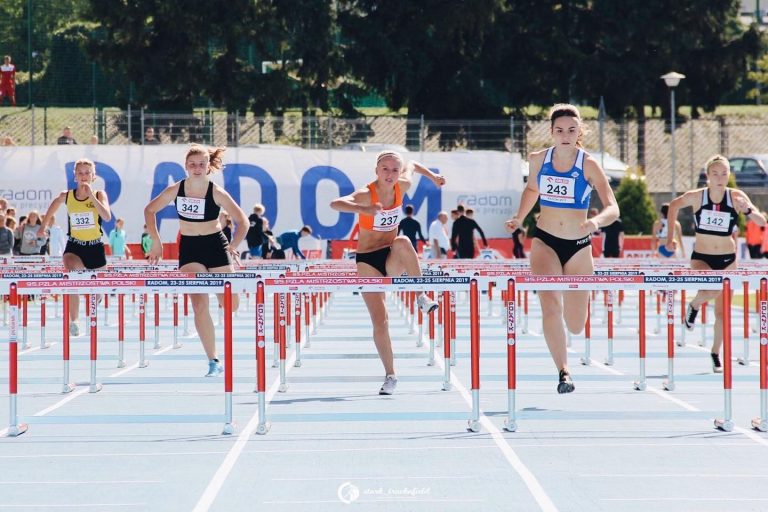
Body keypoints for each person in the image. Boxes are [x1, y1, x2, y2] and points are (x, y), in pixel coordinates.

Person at [506, 103, 619, 393]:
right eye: (559, 130)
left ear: (580, 131)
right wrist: (520, 217)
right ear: (551, 132)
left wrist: (595, 223)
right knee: (550, 306)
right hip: (545, 241)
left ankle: (570, 343)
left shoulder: (589, 164)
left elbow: (612, 208)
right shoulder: (538, 159)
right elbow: (533, 189)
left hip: (579, 247)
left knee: (576, 324)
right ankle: (563, 371)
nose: (565, 135)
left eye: (571, 130)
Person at [330, 151, 445, 395]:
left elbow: (412, 164)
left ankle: (421, 297)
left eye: (394, 169)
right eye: (385, 169)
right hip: (368, 260)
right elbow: (335, 203)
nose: (390, 174)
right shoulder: (366, 193)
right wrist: (364, 208)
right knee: (381, 321)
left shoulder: (402, 185)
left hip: (391, 254)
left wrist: (433, 177)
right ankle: (390, 375)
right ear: (377, 170)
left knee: (403, 240)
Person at [144, 144, 248, 377]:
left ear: (208, 166)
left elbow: (244, 222)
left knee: (230, 304)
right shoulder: (176, 189)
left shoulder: (217, 192)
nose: (197, 168)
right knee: (199, 304)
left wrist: (232, 246)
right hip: (190, 249)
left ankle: (228, 296)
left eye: (201, 164)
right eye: (192, 164)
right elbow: (150, 211)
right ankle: (213, 360)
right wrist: (156, 242)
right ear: (186, 167)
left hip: (216, 246)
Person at [665, 154, 766, 373]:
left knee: (722, 314)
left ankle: (715, 353)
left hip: (728, 261)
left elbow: (761, 221)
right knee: (711, 289)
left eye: (724, 173)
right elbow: (673, 206)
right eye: (715, 173)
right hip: (702, 257)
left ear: (729, 175)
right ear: (708, 176)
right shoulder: (697, 197)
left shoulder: (736, 196)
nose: (720, 178)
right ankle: (693, 305)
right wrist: (668, 238)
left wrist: (747, 210)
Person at [38, 159, 111, 336]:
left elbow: (107, 217)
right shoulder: (67, 195)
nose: (84, 176)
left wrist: (91, 196)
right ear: (75, 176)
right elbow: (53, 206)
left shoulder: (100, 195)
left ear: (93, 176)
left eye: (87, 173)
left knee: (98, 290)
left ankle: (97, 297)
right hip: (75, 247)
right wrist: (43, 226)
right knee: (74, 278)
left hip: (95, 247)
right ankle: (75, 321)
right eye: (80, 173)